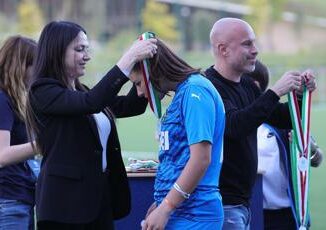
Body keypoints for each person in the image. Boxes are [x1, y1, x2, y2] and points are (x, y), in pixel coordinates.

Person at [25, 21, 157, 229]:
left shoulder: (83, 91)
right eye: (79, 49)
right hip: (64, 208)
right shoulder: (43, 91)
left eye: (87, 49)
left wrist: (140, 72)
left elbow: (131, 106)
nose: (87, 56)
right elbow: (93, 102)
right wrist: (129, 57)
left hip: (98, 203)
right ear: (56, 52)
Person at [204, 17, 316, 229]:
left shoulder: (246, 85)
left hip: (243, 202)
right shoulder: (208, 86)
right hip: (221, 203)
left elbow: (284, 118)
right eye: (247, 44)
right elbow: (235, 126)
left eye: (254, 42)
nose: (255, 50)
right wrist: (275, 92)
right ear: (223, 49)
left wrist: (300, 96)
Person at [129, 37, 225, 230]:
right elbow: (179, 159)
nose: (139, 92)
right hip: (181, 211)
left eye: (138, 83)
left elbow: (201, 159)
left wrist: (167, 206)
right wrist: (161, 202)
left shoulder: (194, 90)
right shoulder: (183, 93)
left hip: (195, 214)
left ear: (152, 71)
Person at [247, 60, 323, 230]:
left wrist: (306, 145)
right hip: (251, 212)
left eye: (253, 88)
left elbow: (317, 159)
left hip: (286, 212)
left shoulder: (280, 119)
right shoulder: (236, 121)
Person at [0, 35, 38, 230]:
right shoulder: (2, 100)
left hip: (19, 198)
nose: (38, 73)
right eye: (35, 66)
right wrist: (42, 144)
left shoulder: (14, 99)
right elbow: (2, 155)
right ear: (21, 66)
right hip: (7, 201)